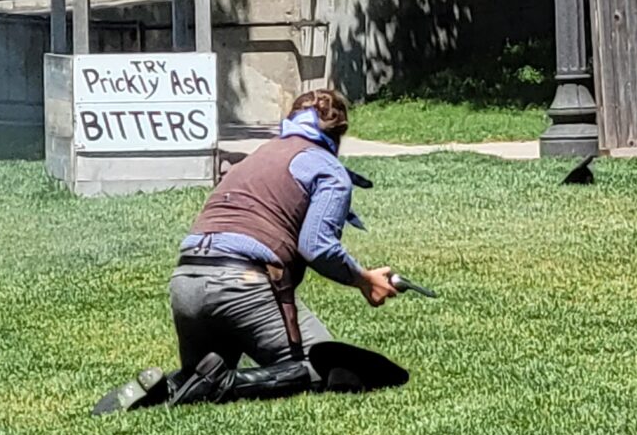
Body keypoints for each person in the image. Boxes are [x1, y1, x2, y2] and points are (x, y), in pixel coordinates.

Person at [105, 90, 409, 409]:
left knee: (199, 379)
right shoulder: (328, 169)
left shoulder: (257, 156)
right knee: (325, 368)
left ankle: (170, 386)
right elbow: (317, 247)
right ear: (340, 132)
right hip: (241, 284)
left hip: (186, 282)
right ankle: (224, 384)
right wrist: (365, 280)